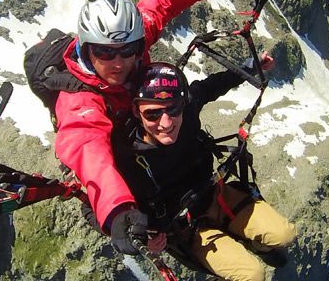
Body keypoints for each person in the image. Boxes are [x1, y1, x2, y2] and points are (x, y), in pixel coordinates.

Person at [53, 0, 243, 245]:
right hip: (126, 160)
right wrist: (118, 208)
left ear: (138, 44)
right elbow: (88, 150)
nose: (118, 63)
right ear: (87, 49)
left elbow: (161, 4)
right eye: (105, 53)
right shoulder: (80, 99)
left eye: (127, 50)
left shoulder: (134, 40)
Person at [114, 61, 296, 281]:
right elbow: (97, 204)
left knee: (285, 234)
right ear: (136, 110)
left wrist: (249, 69)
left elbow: (209, 87)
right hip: (187, 229)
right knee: (253, 275)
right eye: (152, 114)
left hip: (217, 197)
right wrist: (139, 239)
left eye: (173, 108)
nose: (166, 122)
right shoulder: (125, 155)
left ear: (183, 103)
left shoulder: (188, 110)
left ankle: (254, 243)